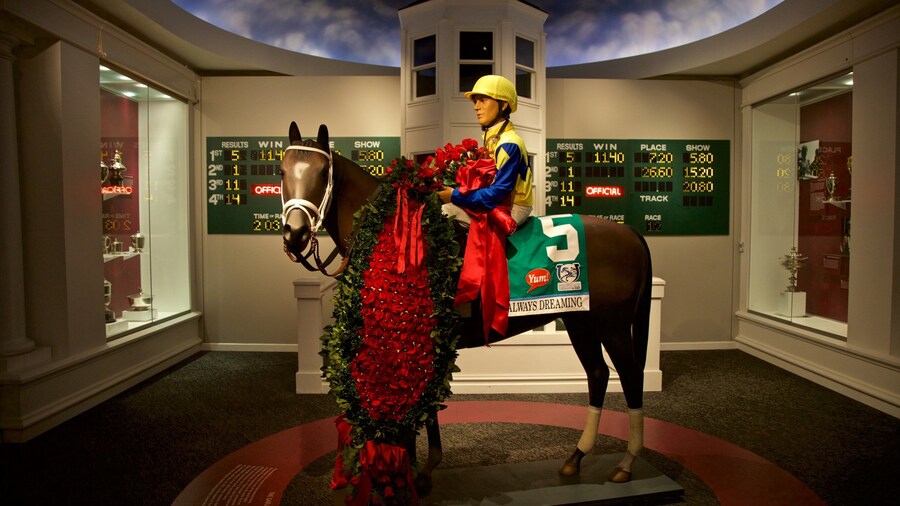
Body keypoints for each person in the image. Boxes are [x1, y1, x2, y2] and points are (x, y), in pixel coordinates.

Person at [438, 74, 533, 227]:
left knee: (447, 211)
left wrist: (454, 195)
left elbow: (497, 193)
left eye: (483, 100)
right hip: (499, 201)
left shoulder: (509, 144)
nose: (476, 107)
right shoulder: (494, 137)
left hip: (513, 207)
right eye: (476, 101)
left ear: (503, 105)